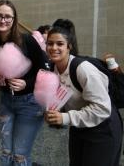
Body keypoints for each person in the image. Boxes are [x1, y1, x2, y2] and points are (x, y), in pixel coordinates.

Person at [45, 21, 123, 166]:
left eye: (60, 44)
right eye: (50, 43)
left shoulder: (83, 69)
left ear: (69, 47)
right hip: (79, 127)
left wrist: (66, 117)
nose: (54, 48)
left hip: (104, 128)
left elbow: (102, 108)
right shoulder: (53, 70)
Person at [0, 0, 47, 166]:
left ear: (14, 20)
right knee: (6, 152)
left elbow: (45, 73)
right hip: (6, 101)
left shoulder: (27, 41)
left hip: (30, 103)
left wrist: (25, 84)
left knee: (20, 155)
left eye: (8, 17)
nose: (3, 20)